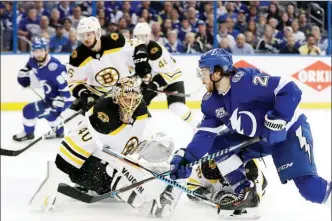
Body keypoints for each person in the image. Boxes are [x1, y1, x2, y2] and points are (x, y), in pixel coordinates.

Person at [169, 48, 331, 217]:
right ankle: (246, 193)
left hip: (289, 132)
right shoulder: (211, 102)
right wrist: (187, 157)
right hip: (258, 138)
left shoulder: (245, 81)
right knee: (217, 145)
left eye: (203, 72)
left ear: (217, 73)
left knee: (310, 189)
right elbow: (205, 135)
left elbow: (289, 89)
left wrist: (278, 118)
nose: (201, 78)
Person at [29, 77, 181, 219]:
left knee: (130, 168)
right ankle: (148, 206)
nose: (131, 104)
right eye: (127, 99)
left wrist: (149, 145)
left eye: (135, 99)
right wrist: (57, 182)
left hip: (104, 160)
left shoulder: (139, 109)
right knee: (113, 172)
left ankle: (154, 188)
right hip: (81, 167)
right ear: (116, 97)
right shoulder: (104, 115)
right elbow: (68, 156)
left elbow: (134, 142)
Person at [66, 16, 152, 113]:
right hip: (96, 93)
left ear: (97, 32)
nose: (85, 39)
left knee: (141, 116)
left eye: (89, 34)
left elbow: (138, 44)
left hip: (124, 91)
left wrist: (141, 62)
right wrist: (85, 95)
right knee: (70, 115)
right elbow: (72, 82)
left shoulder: (115, 41)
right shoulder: (77, 57)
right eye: (82, 35)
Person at [133, 22, 198, 129]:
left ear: (148, 36)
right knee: (137, 102)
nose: (139, 39)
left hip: (172, 78)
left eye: (142, 36)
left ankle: (197, 126)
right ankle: (147, 130)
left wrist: (154, 84)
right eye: (137, 37)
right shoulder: (133, 48)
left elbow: (167, 73)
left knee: (176, 107)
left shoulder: (155, 50)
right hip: (152, 79)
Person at [13, 37, 72, 141]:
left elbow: (68, 87)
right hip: (50, 98)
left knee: (28, 110)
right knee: (49, 114)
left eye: (41, 50)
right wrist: (25, 71)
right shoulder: (33, 59)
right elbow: (30, 64)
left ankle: (28, 134)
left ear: (47, 50)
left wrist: (61, 100)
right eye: (35, 51)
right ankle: (59, 133)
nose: (38, 54)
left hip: (63, 99)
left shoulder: (55, 68)